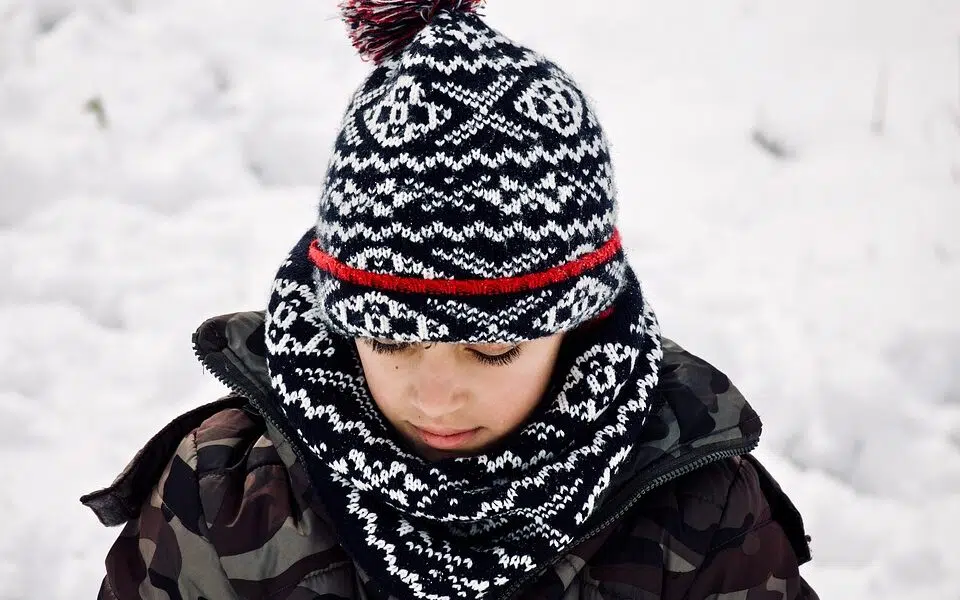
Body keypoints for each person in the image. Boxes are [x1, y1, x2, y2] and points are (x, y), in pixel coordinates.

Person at [83, 1, 819, 598]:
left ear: (582, 321)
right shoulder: (226, 491)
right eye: (389, 340)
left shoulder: (700, 509)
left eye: (492, 347)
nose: (435, 397)